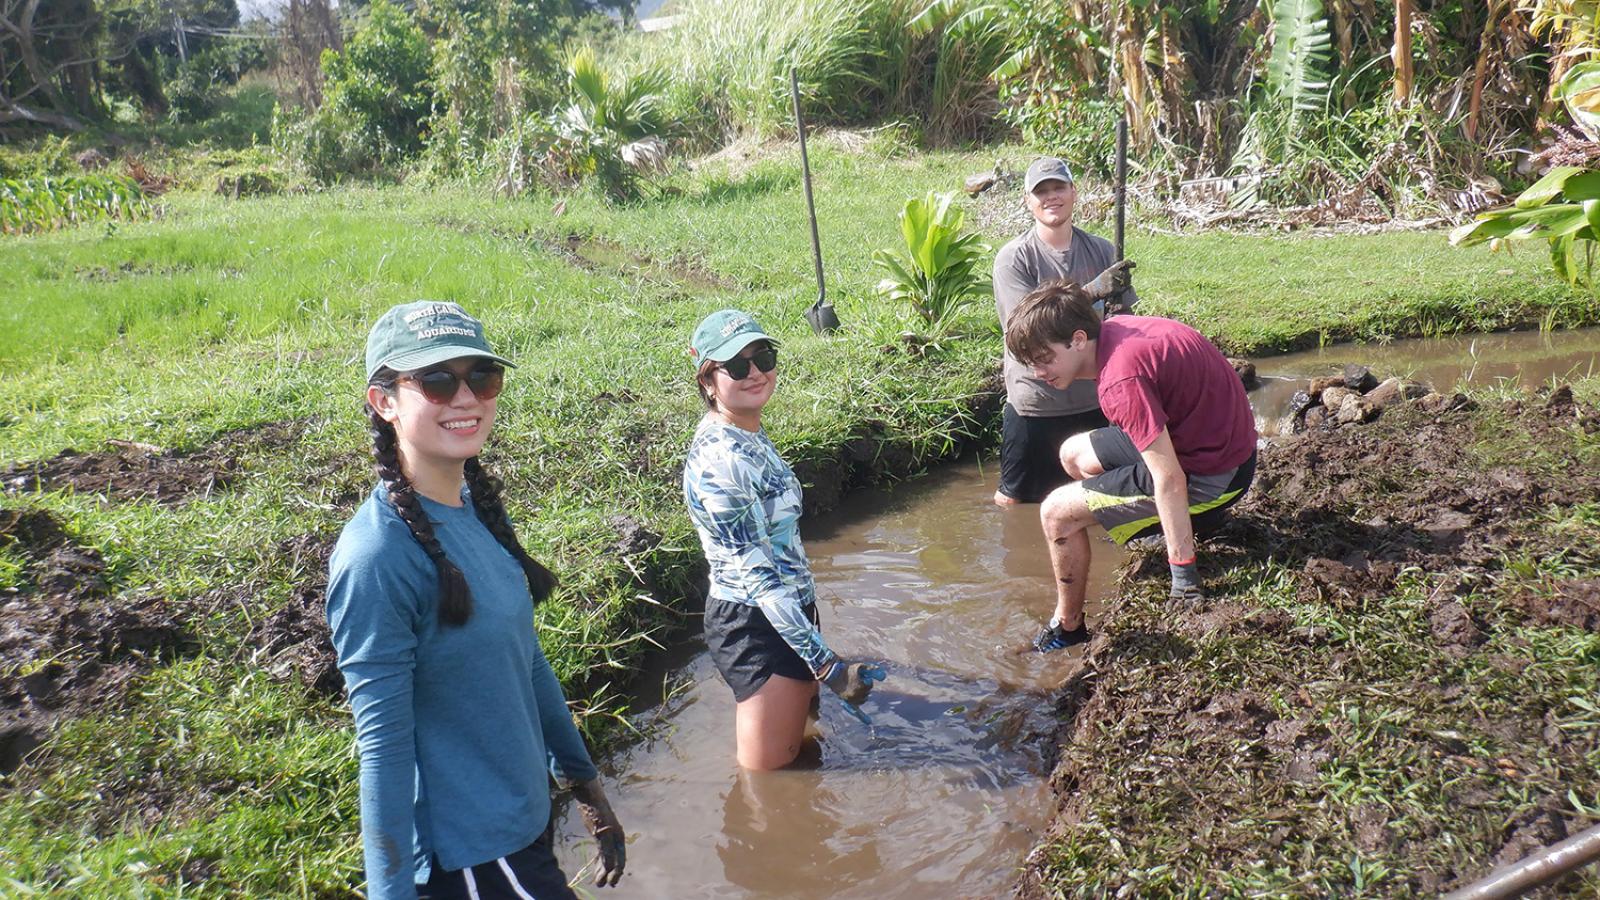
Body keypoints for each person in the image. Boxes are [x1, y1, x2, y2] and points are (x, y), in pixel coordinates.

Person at [326, 301, 626, 899]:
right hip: (470, 858)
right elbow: (382, 750)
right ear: (384, 402)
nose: (465, 399)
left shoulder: (475, 511)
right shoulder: (377, 558)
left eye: (481, 378)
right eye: (436, 381)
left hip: (523, 822)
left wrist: (587, 790)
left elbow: (528, 661)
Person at [1002, 283, 1258, 652]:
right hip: (1214, 441)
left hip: (1218, 476)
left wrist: (1184, 578)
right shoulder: (1117, 330)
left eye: (1044, 358)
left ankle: (1069, 626)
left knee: (1056, 514)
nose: (1038, 372)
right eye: (1031, 363)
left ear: (1077, 340)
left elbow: (1168, 477)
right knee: (1073, 453)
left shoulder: (1120, 380)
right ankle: (1148, 519)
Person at [682, 309, 886, 770]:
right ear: (709, 382)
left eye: (764, 357)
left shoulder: (746, 429)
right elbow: (760, 583)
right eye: (736, 366)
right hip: (756, 623)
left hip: (790, 614)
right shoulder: (721, 463)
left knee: (804, 747)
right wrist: (828, 666)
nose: (755, 372)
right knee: (769, 782)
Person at [993, 155, 1139, 507]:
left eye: (1059, 187)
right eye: (1041, 191)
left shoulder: (1104, 250)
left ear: (1074, 193)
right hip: (1037, 403)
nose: (1051, 197)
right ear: (1029, 202)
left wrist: (1117, 304)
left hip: (1096, 398)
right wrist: (1091, 292)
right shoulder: (1014, 258)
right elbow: (1026, 331)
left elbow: (1125, 320)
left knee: (1103, 497)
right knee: (1015, 504)